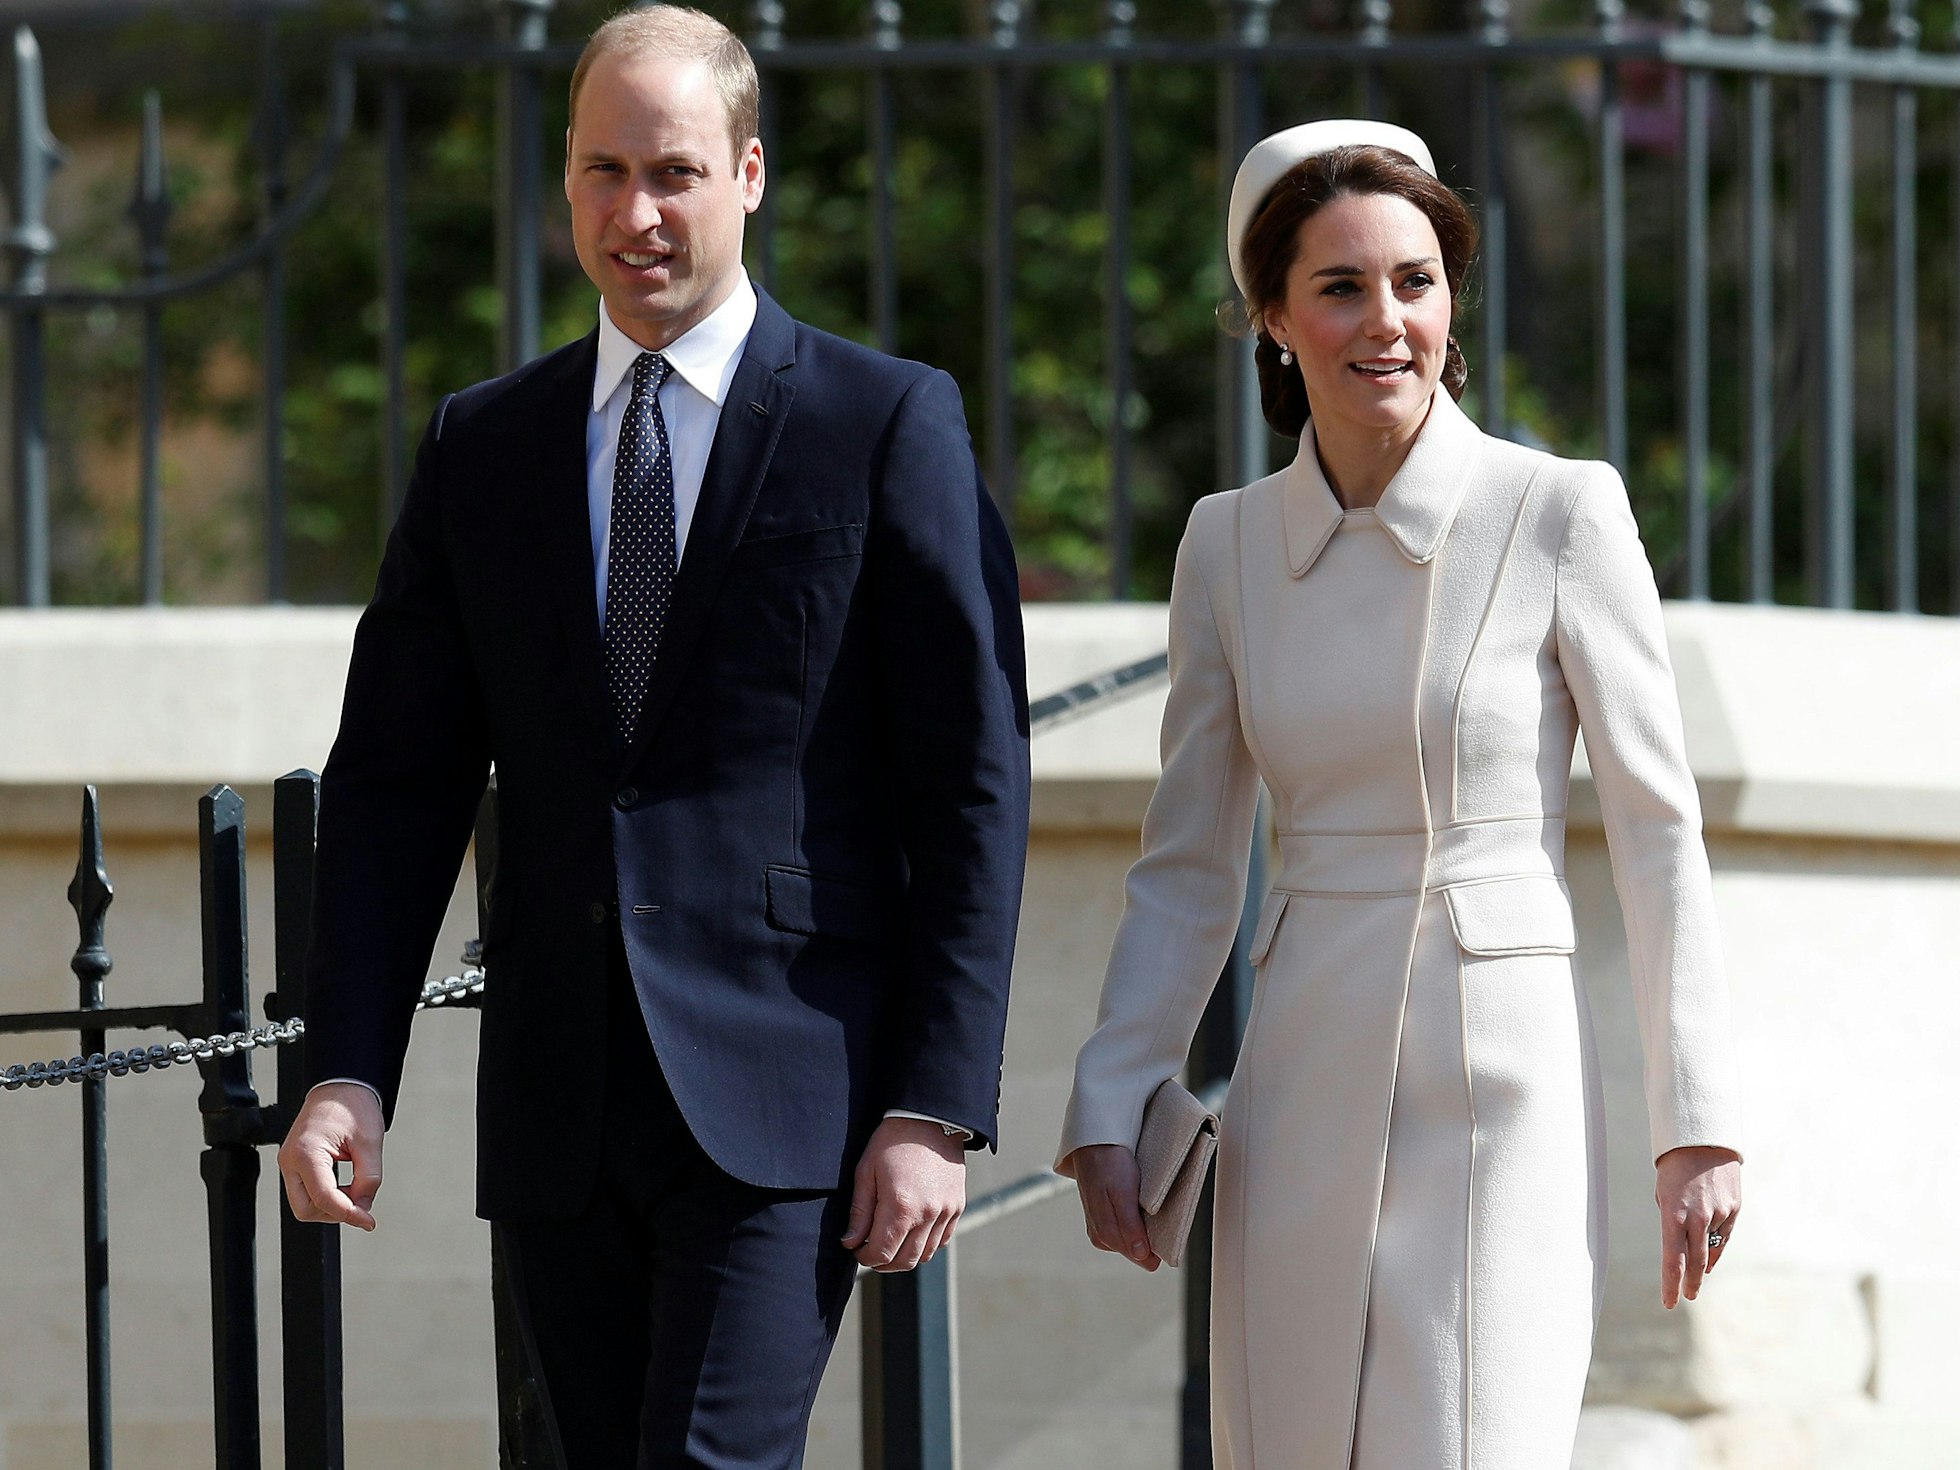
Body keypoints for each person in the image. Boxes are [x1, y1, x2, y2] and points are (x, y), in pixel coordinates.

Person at [275, 8, 1030, 1466]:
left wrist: (936, 1100)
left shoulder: (884, 422)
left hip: (782, 1095)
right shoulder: (481, 446)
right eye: (604, 171)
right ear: (564, 184)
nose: (637, 213)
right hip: (560, 1112)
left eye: (674, 171)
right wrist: (348, 1067)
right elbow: (395, 785)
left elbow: (971, 785)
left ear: (749, 174)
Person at [1056, 120, 1743, 1470]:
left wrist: (1696, 1122)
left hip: (1501, 1083)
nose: (1389, 320)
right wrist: (1110, 1093)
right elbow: (1189, 863)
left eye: (1418, 281)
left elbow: (1663, 833)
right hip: (1295, 1079)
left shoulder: (1559, 510)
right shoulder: (1225, 546)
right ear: (1270, 316)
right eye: (1342, 286)